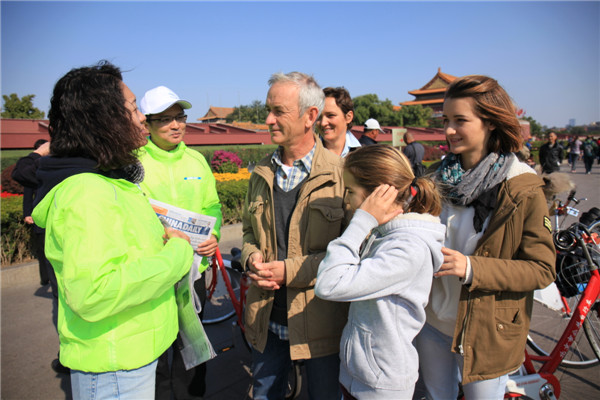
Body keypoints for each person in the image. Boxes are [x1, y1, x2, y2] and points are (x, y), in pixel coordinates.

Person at [31, 61, 194, 400]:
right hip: (116, 365)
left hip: (131, 352)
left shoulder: (111, 181)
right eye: (134, 109)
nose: (141, 118)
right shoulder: (86, 193)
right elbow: (96, 292)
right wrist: (178, 253)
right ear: (103, 119)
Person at [415, 75, 556, 399]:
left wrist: (472, 268)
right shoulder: (436, 177)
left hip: (488, 330)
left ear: (491, 122)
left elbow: (541, 268)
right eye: (446, 120)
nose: (448, 130)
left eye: (460, 120)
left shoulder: (522, 187)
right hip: (433, 320)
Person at [241, 71, 350, 399]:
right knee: (265, 393)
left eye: (278, 111)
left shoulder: (342, 176)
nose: (268, 119)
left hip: (321, 323)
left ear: (310, 117)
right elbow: (248, 229)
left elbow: (351, 254)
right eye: (268, 109)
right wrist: (250, 256)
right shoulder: (260, 173)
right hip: (266, 318)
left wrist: (290, 271)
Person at [315, 144, 445, 399]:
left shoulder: (407, 248)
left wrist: (362, 219)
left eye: (350, 191)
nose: (347, 200)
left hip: (380, 385)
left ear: (377, 195)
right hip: (361, 375)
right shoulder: (387, 234)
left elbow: (328, 283)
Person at [138, 85, 223, 400]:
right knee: (157, 348)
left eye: (180, 117)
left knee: (191, 342)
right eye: (164, 119)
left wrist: (213, 235)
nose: (175, 125)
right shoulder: (134, 164)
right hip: (155, 273)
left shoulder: (197, 161)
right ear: (147, 124)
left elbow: (211, 206)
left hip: (193, 271)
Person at [317, 87, 361, 157]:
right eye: (319, 117)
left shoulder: (364, 156)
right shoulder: (306, 154)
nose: (323, 123)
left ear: (348, 117)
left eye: (330, 115)